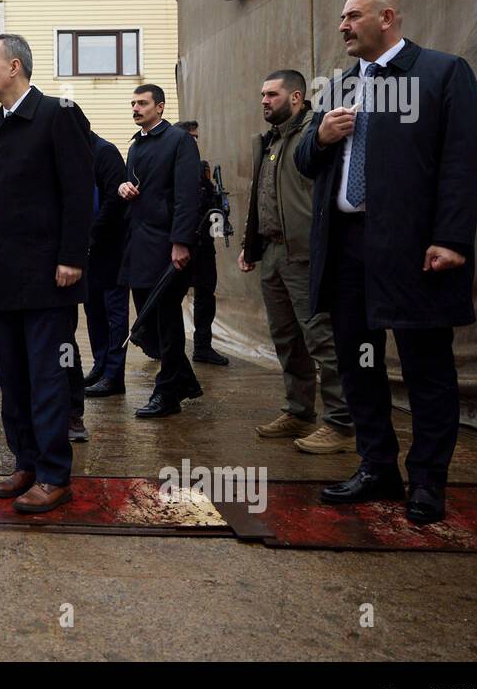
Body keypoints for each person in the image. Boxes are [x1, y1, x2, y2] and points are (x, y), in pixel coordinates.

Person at [295, 0, 477, 524]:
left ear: (388, 17)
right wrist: (323, 136)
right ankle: (377, 467)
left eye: (352, 16)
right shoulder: (339, 86)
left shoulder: (443, 74)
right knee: (360, 367)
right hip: (348, 249)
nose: (343, 26)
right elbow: (306, 162)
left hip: (414, 250)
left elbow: (462, 162)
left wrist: (451, 239)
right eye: (340, 17)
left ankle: (427, 482)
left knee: (426, 368)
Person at [0, 34, 93, 514]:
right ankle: (24, 462)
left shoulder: (58, 114)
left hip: (49, 276)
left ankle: (53, 474)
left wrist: (71, 256)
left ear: (16, 66)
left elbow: (78, 191)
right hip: (5, 277)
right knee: (13, 378)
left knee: (47, 378)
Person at [239, 70, 354, 453]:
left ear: (296, 97)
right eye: (262, 94)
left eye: (271, 94)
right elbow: (262, 195)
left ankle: (340, 423)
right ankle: (299, 411)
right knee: (287, 339)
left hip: (304, 253)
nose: (264, 101)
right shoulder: (269, 141)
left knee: (321, 338)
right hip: (272, 252)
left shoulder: (315, 134)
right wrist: (249, 243)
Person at [116, 84, 202, 418]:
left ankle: (167, 392)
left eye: (142, 103)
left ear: (160, 107)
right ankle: (184, 382)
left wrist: (181, 242)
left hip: (168, 246)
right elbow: (132, 183)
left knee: (166, 321)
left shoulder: (179, 141)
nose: (135, 108)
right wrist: (124, 186)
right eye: (133, 103)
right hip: (139, 244)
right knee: (147, 324)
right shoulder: (136, 145)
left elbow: (187, 195)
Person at [81, 129, 131, 398]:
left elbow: (115, 200)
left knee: (114, 314)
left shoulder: (105, 152)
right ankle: (101, 366)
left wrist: (92, 236)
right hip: (89, 252)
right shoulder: (79, 152)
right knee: (93, 311)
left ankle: (114, 375)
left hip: (110, 249)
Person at [177, 120, 229, 366]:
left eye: (196, 138)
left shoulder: (202, 168)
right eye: (190, 138)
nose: (195, 142)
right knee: (171, 297)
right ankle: (160, 345)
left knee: (205, 295)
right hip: (182, 243)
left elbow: (210, 202)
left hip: (204, 243)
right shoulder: (174, 166)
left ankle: (203, 347)